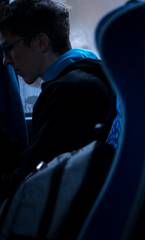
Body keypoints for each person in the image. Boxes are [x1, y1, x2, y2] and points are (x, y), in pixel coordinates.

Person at [0, 0, 116, 197]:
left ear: (41, 43)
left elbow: (31, 179)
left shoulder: (69, 94)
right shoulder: (91, 71)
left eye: (9, 48)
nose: (6, 61)